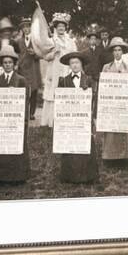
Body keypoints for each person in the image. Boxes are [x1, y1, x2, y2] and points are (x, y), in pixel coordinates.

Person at [0, 45, 31, 184]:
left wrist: (24, 120)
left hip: (16, 121)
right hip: (1, 121)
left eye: (10, 63)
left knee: (17, 147)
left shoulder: (21, 80)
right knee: (2, 147)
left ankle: (18, 177)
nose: (7, 65)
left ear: (14, 64)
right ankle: (1, 176)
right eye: (5, 63)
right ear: (2, 64)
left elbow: (26, 101)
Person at [56, 51, 99, 183]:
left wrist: (93, 117)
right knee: (70, 145)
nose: (74, 65)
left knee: (86, 145)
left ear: (82, 65)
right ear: (69, 65)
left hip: (84, 120)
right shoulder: (63, 81)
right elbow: (59, 102)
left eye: (77, 62)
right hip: (69, 121)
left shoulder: (89, 80)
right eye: (72, 63)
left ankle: (88, 176)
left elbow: (95, 100)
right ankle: (69, 175)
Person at [40, 12, 77, 127]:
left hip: (67, 70)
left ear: (66, 28)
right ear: (55, 27)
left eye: (63, 26)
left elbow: (75, 55)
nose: (61, 28)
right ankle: (50, 123)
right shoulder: (51, 41)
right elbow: (44, 56)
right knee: (52, 95)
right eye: (59, 26)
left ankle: (65, 121)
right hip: (54, 71)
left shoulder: (70, 41)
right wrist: (53, 53)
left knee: (66, 93)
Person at [101, 37, 128, 165]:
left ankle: (124, 157)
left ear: (123, 52)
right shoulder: (106, 67)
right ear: (112, 52)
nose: (117, 52)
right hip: (110, 103)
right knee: (111, 131)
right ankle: (110, 157)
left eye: (120, 50)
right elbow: (103, 87)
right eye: (115, 50)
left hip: (123, 104)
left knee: (123, 130)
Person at [17, 17, 42, 120]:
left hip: (33, 67)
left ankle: (31, 113)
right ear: (22, 29)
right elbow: (18, 54)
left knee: (34, 90)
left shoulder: (36, 40)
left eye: (28, 26)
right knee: (24, 90)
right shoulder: (19, 41)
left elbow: (42, 54)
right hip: (23, 68)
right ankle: (24, 111)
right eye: (24, 27)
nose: (26, 29)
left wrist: (35, 54)